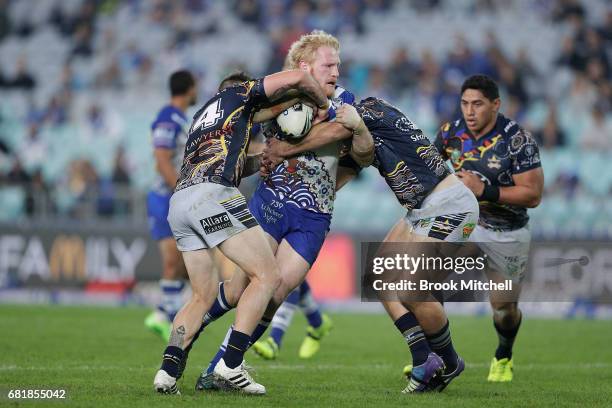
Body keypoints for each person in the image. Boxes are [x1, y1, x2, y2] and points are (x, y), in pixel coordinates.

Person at [194, 30, 374, 390]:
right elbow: (252, 136)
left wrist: (285, 151)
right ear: (305, 66)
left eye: (338, 64)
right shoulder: (281, 97)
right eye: (329, 64)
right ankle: (185, 341)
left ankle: (221, 367)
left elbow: (350, 144)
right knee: (236, 290)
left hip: (314, 215)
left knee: (274, 295)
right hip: (271, 203)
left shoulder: (345, 101)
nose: (336, 71)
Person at [263, 97, 480, 393]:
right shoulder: (358, 132)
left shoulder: (365, 110)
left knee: (412, 291)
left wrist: (284, 149)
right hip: (419, 211)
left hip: (449, 204)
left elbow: (330, 133)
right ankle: (425, 358)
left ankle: (448, 361)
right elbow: (334, 179)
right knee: (378, 277)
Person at [152, 67, 331, 395]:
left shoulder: (202, 117)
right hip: (213, 196)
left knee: (200, 296)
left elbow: (226, 159)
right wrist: (322, 103)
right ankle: (231, 364)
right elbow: (296, 78)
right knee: (267, 276)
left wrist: (258, 162)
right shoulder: (242, 94)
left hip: (180, 202)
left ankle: (167, 370)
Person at [433, 74, 543, 382]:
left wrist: (485, 191)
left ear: (496, 105)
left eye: (478, 104)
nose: (469, 111)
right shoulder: (449, 133)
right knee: (424, 279)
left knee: (503, 308)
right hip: (466, 224)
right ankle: (436, 357)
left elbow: (533, 195)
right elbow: (431, 172)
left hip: (507, 231)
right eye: (465, 103)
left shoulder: (517, 140)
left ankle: (504, 354)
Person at [144, 70, 196, 341]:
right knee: (173, 262)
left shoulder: (180, 118)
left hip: (171, 197)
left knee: (183, 265)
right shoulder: (168, 117)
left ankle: (164, 314)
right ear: (189, 89)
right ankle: (170, 322)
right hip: (165, 197)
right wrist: (181, 191)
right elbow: (162, 159)